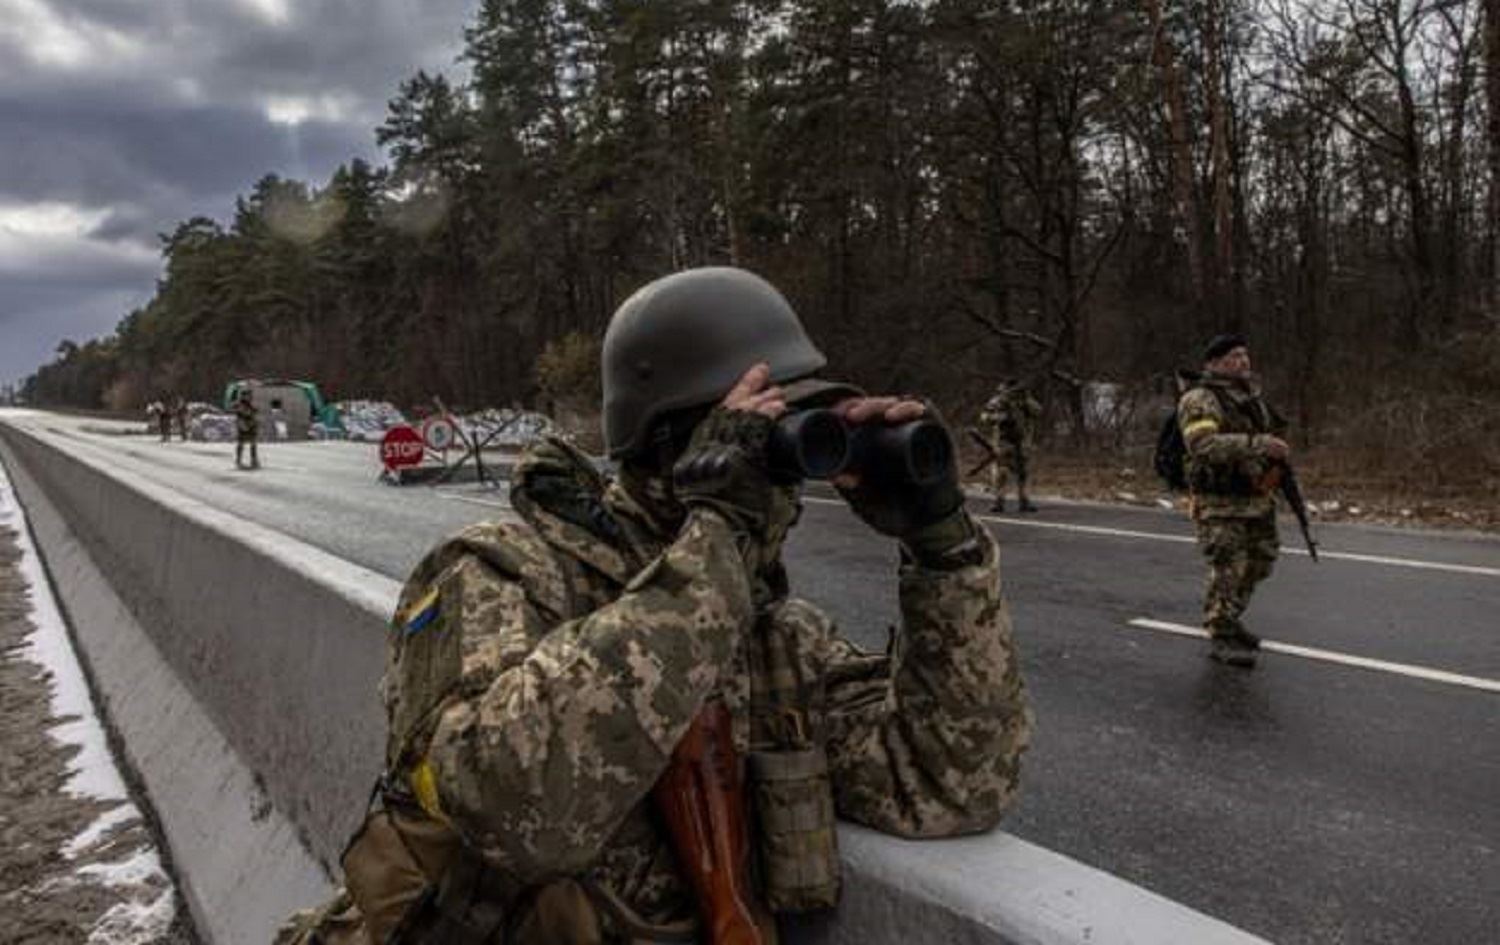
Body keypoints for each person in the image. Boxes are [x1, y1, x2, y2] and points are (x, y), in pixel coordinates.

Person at [277, 267, 1031, 944]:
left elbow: (946, 784)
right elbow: (507, 803)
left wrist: (942, 547)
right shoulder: (502, 573)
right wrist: (718, 538)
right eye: (766, 429)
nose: (788, 478)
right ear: (673, 443)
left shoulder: (772, 637)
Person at [1177, 333, 1290, 668]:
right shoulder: (1201, 398)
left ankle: (1231, 618)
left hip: (1255, 497)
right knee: (1228, 566)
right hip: (1220, 501)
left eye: (1245, 355)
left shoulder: (1248, 398)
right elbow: (1202, 445)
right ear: (1213, 363)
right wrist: (1259, 444)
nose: (1243, 361)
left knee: (1261, 560)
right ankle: (1220, 633)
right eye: (1234, 356)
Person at [977, 380, 1041, 513]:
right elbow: (984, 417)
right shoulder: (998, 401)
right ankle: (998, 501)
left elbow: (1038, 411)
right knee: (1002, 472)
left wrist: (1026, 399)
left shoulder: (1024, 400)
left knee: (1023, 472)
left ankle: (1024, 501)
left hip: (1023, 441)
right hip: (1003, 441)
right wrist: (1000, 417)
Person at [234, 389, 260, 469]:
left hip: (251, 425)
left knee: (253, 443)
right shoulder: (240, 404)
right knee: (241, 443)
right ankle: (238, 460)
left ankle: (254, 460)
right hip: (243, 425)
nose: (248, 397)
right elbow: (241, 413)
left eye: (249, 396)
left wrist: (255, 418)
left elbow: (254, 412)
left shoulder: (250, 405)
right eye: (246, 395)